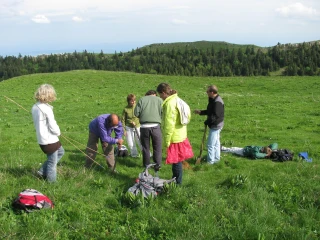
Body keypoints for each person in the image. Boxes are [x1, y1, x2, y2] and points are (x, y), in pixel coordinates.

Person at [157, 83, 194, 184]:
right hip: (181, 134)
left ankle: (177, 183)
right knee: (177, 160)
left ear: (164, 93)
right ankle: (176, 180)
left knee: (176, 161)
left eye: (160, 95)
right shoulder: (178, 99)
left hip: (174, 137)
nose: (161, 97)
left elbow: (169, 124)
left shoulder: (169, 104)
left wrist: (167, 141)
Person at [31, 84, 65, 182]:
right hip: (49, 140)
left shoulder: (35, 106)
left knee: (61, 151)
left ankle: (41, 172)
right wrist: (58, 132)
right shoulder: (46, 108)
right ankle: (52, 183)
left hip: (42, 139)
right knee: (52, 163)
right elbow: (52, 124)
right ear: (48, 95)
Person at [194, 85, 224, 164]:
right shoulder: (212, 99)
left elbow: (216, 115)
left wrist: (208, 121)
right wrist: (201, 112)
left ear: (212, 92)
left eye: (207, 91)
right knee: (216, 143)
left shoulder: (217, 102)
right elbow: (210, 111)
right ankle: (216, 159)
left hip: (216, 125)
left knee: (210, 144)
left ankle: (210, 162)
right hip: (216, 124)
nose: (206, 93)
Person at [134, 90, 163, 171]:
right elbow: (163, 111)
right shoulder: (159, 100)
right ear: (155, 94)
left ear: (146, 94)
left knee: (146, 147)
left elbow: (136, 113)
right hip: (156, 126)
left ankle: (146, 165)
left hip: (144, 127)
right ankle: (157, 165)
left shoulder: (142, 99)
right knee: (157, 147)